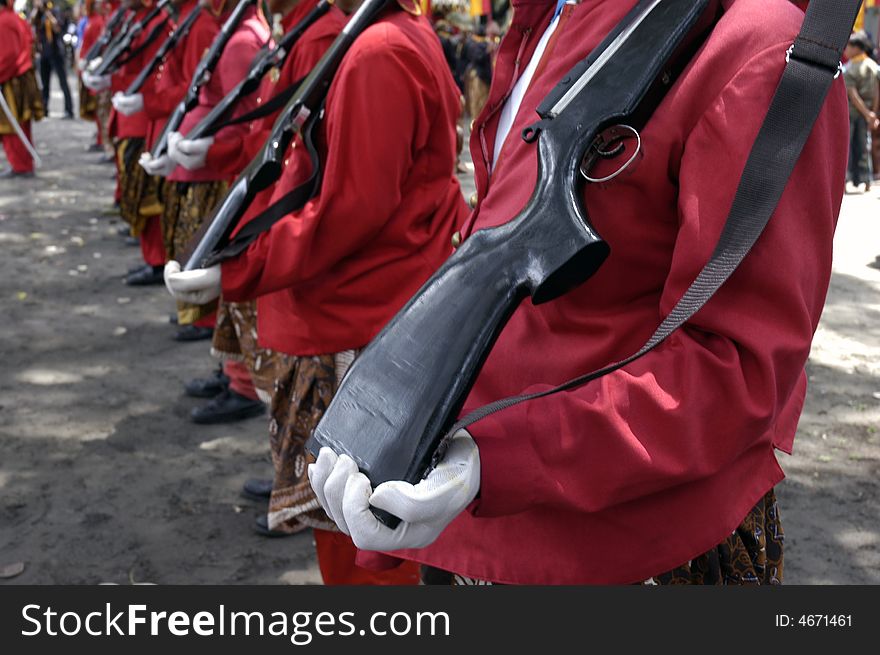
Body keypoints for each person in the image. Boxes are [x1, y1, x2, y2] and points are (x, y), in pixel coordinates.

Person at [307, 0, 849, 585]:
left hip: (624, 551)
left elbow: (739, 369)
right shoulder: (552, 16)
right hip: (464, 513)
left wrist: (502, 459)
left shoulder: (759, 44)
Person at [164, 0, 468, 584]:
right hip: (373, 306)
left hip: (363, 315)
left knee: (365, 543)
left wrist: (242, 268)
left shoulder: (378, 51)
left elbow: (351, 209)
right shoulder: (384, 37)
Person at [0, 0, 45, 178]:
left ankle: (21, 165)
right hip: (17, 77)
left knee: (12, 125)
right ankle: (21, 163)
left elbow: (7, 55)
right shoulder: (12, 18)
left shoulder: (5, 21)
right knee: (18, 124)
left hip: (11, 79)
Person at [843, 31, 879, 193]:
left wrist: (866, 113)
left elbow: (853, 95)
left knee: (848, 147)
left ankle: (845, 181)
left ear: (857, 48)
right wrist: (872, 113)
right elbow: (877, 92)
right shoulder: (873, 66)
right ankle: (867, 181)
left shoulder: (850, 69)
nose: (846, 50)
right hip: (868, 113)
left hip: (852, 113)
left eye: (849, 46)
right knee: (864, 145)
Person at [31, 0, 75, 119]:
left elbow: (57, 28)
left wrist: (48, 13)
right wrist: (37, 10)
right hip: (44, 53)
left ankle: (69, 110)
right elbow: (31, 23)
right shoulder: (38, 15)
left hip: (56, 52)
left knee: (63, 82)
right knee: (45, 84)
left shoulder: (55, 11)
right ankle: (44, 109)